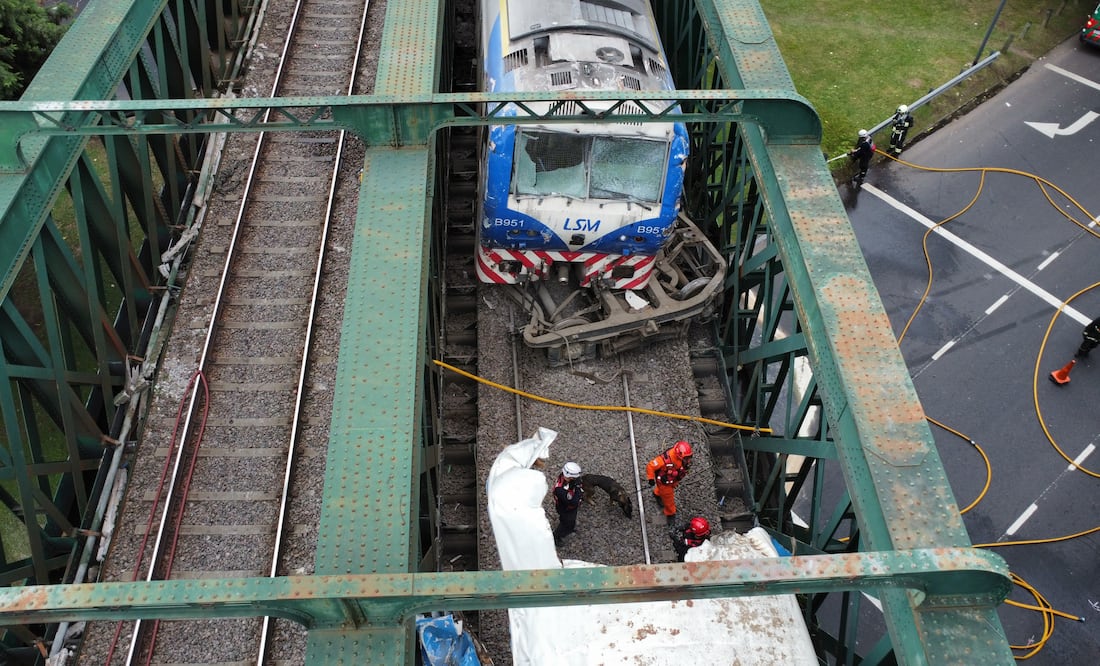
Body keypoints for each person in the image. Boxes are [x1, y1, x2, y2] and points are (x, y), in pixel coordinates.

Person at [645, 440, 693, 525]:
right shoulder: (665, 459)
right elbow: (650, 466)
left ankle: (657, 493)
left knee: (663, 492)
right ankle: (670, 513)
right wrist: (651, 479)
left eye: (689, 457)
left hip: (672, 480)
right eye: (686, 458)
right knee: (669, 500)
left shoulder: (681, 460)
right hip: (665, 484)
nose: (688, 460)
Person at [552, 462, 584, 546]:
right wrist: (578, 488)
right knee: (565, 522)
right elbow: (574, 501)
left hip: (571, 508)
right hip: (565, 509)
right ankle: (556, 536)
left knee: (571, 520)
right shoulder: (560, 490)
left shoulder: (565, 478)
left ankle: (570, 528)